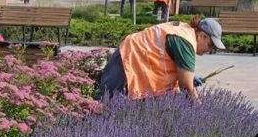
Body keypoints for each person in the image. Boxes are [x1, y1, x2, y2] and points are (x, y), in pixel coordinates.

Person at [95, 15, 225, 101]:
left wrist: (190, 77)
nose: (209, 50)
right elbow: (185, 85)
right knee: (106, 101)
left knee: (114, 102)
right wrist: (197, 106)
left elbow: (172, 61)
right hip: (129, 56)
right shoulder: (185, 42)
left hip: (134, 55)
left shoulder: (185, 32)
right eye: (210, 45)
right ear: (202, 36)